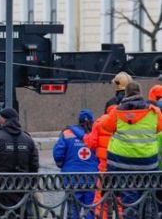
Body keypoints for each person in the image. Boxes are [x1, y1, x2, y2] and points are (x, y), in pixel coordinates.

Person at [102, 82, 162, 219]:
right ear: (140, 93)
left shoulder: (117, 111)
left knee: (129, 199)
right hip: (148, 162)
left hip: (122, 163)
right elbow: (159, 128)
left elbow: (106, 126)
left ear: (126, 93)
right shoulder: (154, 111)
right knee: (149, 197)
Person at [0, 107, 39, 215]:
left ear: (3, 120)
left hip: (1, 189)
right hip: (23, 187)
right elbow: (34, 165)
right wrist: (31, 184)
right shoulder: (28, 139)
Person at [53, 109, 99, 219]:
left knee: (73, 209)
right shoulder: (95, 134)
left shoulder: (67, 133)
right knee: (90, 208)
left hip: (72, 178)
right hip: (92, 177)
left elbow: (58, 153)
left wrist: (63, 165)